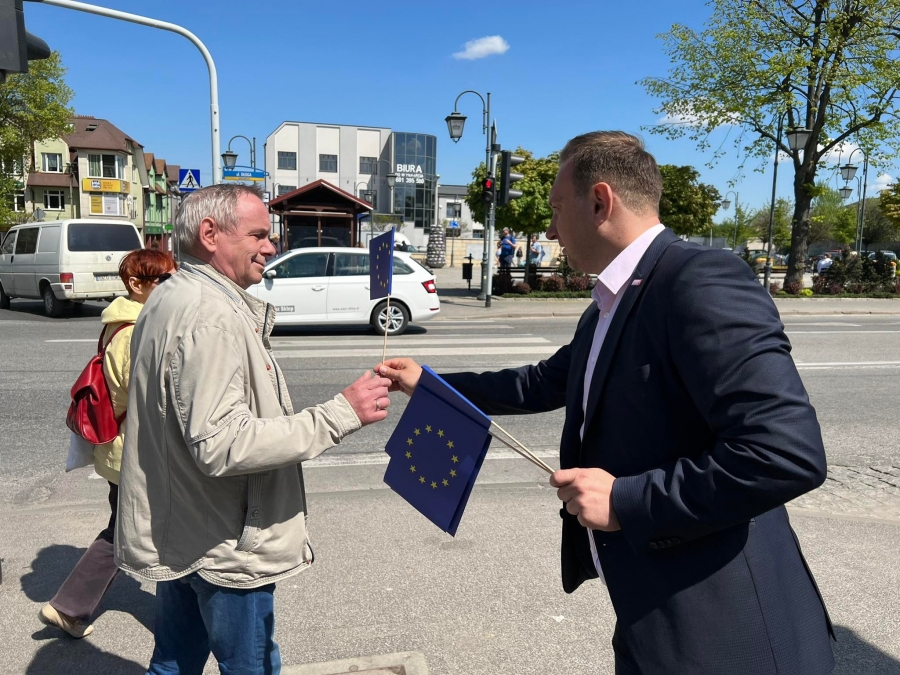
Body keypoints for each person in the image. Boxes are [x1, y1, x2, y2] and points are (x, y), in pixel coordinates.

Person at [377, 131, 834, 674]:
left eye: (556, 209)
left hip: (726, 627)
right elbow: (540, 383)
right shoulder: (606, 304)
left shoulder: (698, 280)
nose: (550, 230)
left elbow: (785, 454)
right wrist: (428, 383)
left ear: (599, 202)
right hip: (651, 610)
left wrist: (627, 500)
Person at [115, 184, 392, 674]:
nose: (271, 245)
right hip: (225, 542)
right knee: (249, 667)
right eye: (258, 235)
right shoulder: (211, 316)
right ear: (210, 234)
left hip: (186, 526)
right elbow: (222, 444)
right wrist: (341, 413)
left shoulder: (170, 294)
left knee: (173, 662)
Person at [39, 250, 177, 639]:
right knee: (141, 532)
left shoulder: (122, 323)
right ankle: (69, 607)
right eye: (164, 279)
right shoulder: (135, 332)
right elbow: (149, 397)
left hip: (124, 450)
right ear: (136, 284)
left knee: (129, 530)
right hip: (136, 453)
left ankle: (69, 608)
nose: (173, 285)